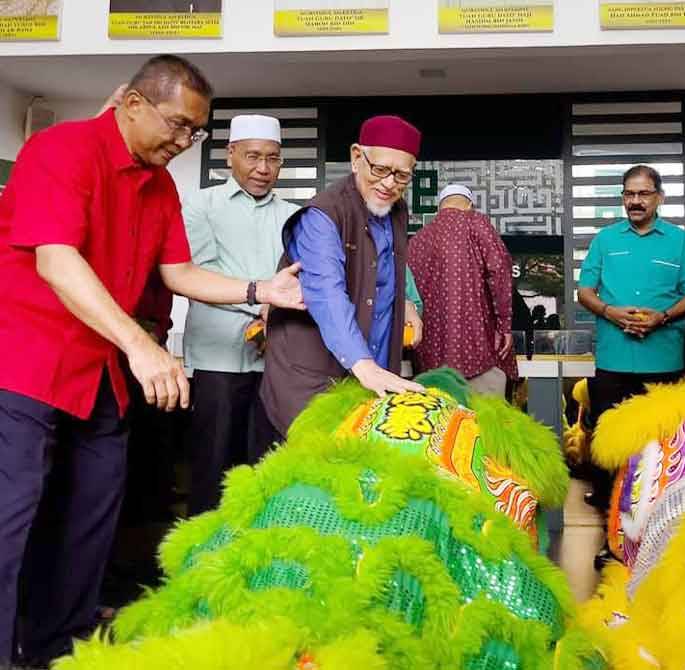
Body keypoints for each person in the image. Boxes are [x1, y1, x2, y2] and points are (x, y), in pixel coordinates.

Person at [0, 55, 305, 669]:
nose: (183, 140)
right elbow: (57, 262)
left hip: (100, 375)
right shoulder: (60, 150)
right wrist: (142, 345)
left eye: (195, 131)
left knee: (91, 519)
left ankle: (59, 650)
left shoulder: (162, 184)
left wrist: (259, 291)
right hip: (26, 367)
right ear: (131, 103)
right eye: (176, 124)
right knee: (13, 518)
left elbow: (178, 272)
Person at [258, 115, 425, 450]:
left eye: (402, 174)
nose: (389, 183)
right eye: (380, 169)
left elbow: (387, 280)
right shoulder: (322, 215)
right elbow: (326, 293)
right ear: (355, 157)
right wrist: (364, 365)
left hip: (369, 379)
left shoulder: (396, 211)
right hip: (311, 379)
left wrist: (407, 303)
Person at [181, 114, 299, 515]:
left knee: (268, 467)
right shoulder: (200, 205)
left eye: (273, 158)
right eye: (252, 157)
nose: (263, 169)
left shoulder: (295, 215)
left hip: (278, 364)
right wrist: (263, 300)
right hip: (218, 359)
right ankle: (201, 561)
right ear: (229, 154)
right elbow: (196, 275)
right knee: (213, 467)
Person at [577, 164, 685, 432]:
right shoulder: (604, 239)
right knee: (610, 445)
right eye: (629, 195)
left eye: (643, 194)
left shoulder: (679, 240)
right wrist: (609, 312)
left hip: (663, 362)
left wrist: (662, 317)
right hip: (612, 361)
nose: (635, 201)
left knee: (663, 443)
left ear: (659, 197)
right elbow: (584, 292)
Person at [408, 184, 516, 396]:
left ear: (440, 208)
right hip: (477, 352)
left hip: (428, 362)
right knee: (482, 422)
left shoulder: (417, 240)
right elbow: (500, 271)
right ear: (469, 205)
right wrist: (504, 325)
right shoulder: (475, 223)